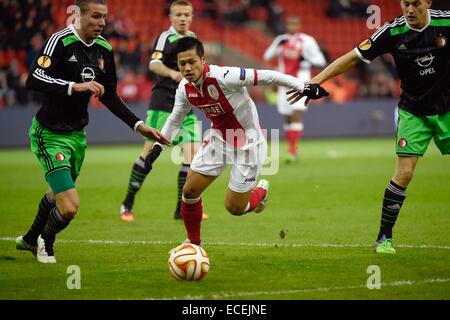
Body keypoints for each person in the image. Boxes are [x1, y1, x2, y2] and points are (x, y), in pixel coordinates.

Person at [288, 0, 449, 254]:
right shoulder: (392, 32)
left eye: (415, 4)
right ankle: (384, 237)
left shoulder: (446, 22)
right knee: (404, 174)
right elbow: (352, 57)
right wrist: (316, 80)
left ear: (427, 2)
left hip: (447, 109)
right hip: (413, 112)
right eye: (405, 3)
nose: (409, 10)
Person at [15, 0, 170, 264]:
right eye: (95, 16)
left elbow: (110, 96)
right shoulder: (59, 41)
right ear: (78, 15)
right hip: (49, 134)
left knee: (57, 193)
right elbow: (34, 78)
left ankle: (30, 237)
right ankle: (46, 240)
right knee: (69, 206)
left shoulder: (104, 49)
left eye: (104, 17)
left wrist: (139, 125)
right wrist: (74, 86)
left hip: (77, 136)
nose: (101, 22)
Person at [144, 37, 328, 246]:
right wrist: (157, 148)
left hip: (248, 144)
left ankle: (261, 191)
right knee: (189, 191)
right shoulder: (184, 89)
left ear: (203, 59)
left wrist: (304, 86)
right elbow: (175, 119)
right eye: (182, 63)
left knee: (234, 208)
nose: (187, 68)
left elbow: (267, 76)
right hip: (219, 140)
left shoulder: (225, 76)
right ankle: (193, 244)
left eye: (192, 61)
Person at [119, 0, 205, 222]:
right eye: (179, 15)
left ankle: (180, 209)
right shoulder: (165, 38)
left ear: (192, 16)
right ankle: (127, 204)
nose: (183, 18)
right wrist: (172, 73)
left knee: (191, 158)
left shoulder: (194, 39)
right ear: (171, 17)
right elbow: (153, 64)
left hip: (186, 102)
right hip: (163, 102)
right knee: (149, 153)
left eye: (187, 14)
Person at [263, 15, 326, 163]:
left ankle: (291, 150)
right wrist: (278, 46)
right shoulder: (281, 40)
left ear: (299, 25)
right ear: (286, 24)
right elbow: (267, 55)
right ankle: (292, 148)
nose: (292, 26)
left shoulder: (307, 40)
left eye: (295, 23)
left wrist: (307, 58)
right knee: (288, 117)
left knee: (297, 113)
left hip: (302, 81)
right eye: (290, 23)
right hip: (284, 82)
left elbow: (321, 61)